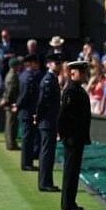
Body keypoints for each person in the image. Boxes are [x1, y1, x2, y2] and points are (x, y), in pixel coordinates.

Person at [58, 61, 91, 210]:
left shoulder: (77, 90)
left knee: (73, 171)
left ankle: (70, 202)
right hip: (72, 137)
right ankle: (68, 204)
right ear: (73, 73)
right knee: (70, 171)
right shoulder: (71, 91)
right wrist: (63, 134)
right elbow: (63, 114)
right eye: (81, 72)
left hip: (77, 137)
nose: (84, 75)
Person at [36, 52, 63, 192]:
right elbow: (43, 102)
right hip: (47, 122)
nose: (58, 65)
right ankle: (45, 183)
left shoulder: (53, 79)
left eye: (59, 63)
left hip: (50, 121)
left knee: (48, 153)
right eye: (56, 63)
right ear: (49, 64)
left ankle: (47, 182)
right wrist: (39, 118)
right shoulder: (48, 80)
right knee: (47, 153)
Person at [16, 54, 41, 171]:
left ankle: (27, 162)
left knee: (28, 138)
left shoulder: (23, 75)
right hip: (27, 111)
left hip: (25, 111)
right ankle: (26, 164)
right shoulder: (29, 77)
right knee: (27, 138)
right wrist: (18, 105)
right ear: (32, 63)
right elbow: (25, 94)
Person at [0, 57, 21, 150]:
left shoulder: (9, 74)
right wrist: (7, 100)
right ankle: (11, 144)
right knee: (11, 124)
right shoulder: (13, 75)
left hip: (9, 101)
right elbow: (10, 90)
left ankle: (10, 143)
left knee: (10, 124)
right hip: (11, 102)